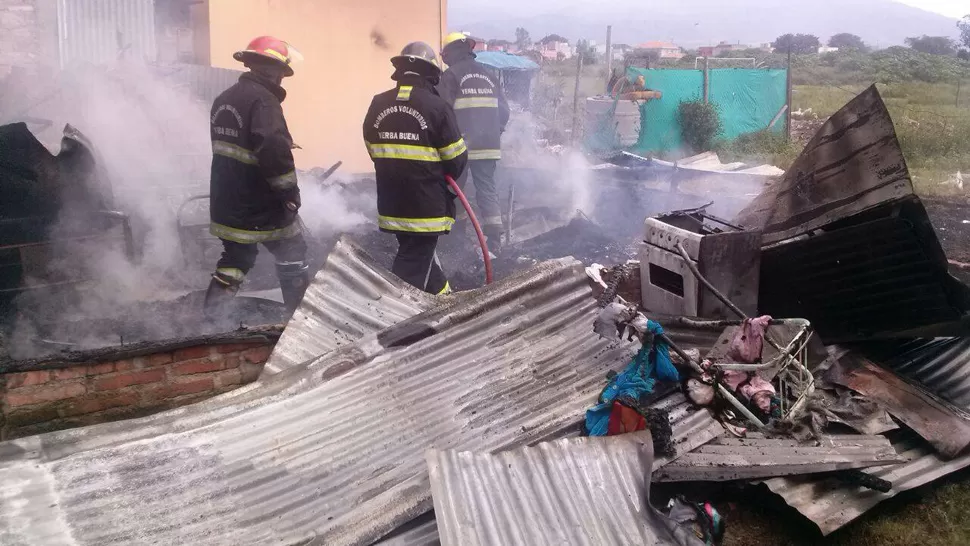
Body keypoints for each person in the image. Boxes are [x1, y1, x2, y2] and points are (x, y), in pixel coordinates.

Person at [204, 36, 309, 317]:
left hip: (227, 199)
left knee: (236, 258)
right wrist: (289, 194)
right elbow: (273, 150)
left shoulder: (224, 99)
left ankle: (211, 321)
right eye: (281, 74)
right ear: (273, 71)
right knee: (293, 251)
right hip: (258, 202)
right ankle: (299, 321)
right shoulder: (264, 102)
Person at [362, 42, 468, 295]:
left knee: (418, 254)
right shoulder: (437, 107)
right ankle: (394, 316)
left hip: (392, 201)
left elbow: (372, 147)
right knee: (412, 263)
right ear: (431, 74)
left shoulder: (378, 103)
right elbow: (456, 158)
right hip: (425, 205)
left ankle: (444, 298)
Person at [437, 32, 510, 251]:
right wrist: (494, 131)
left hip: (461, 146)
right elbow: (505, 111)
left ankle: (458, 235)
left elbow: (442, 111)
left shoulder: (450, 76)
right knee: (487, 187)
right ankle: (495, 238)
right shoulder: (489, 75)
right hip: (488, 145)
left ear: (449, 53)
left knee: (456, 188)